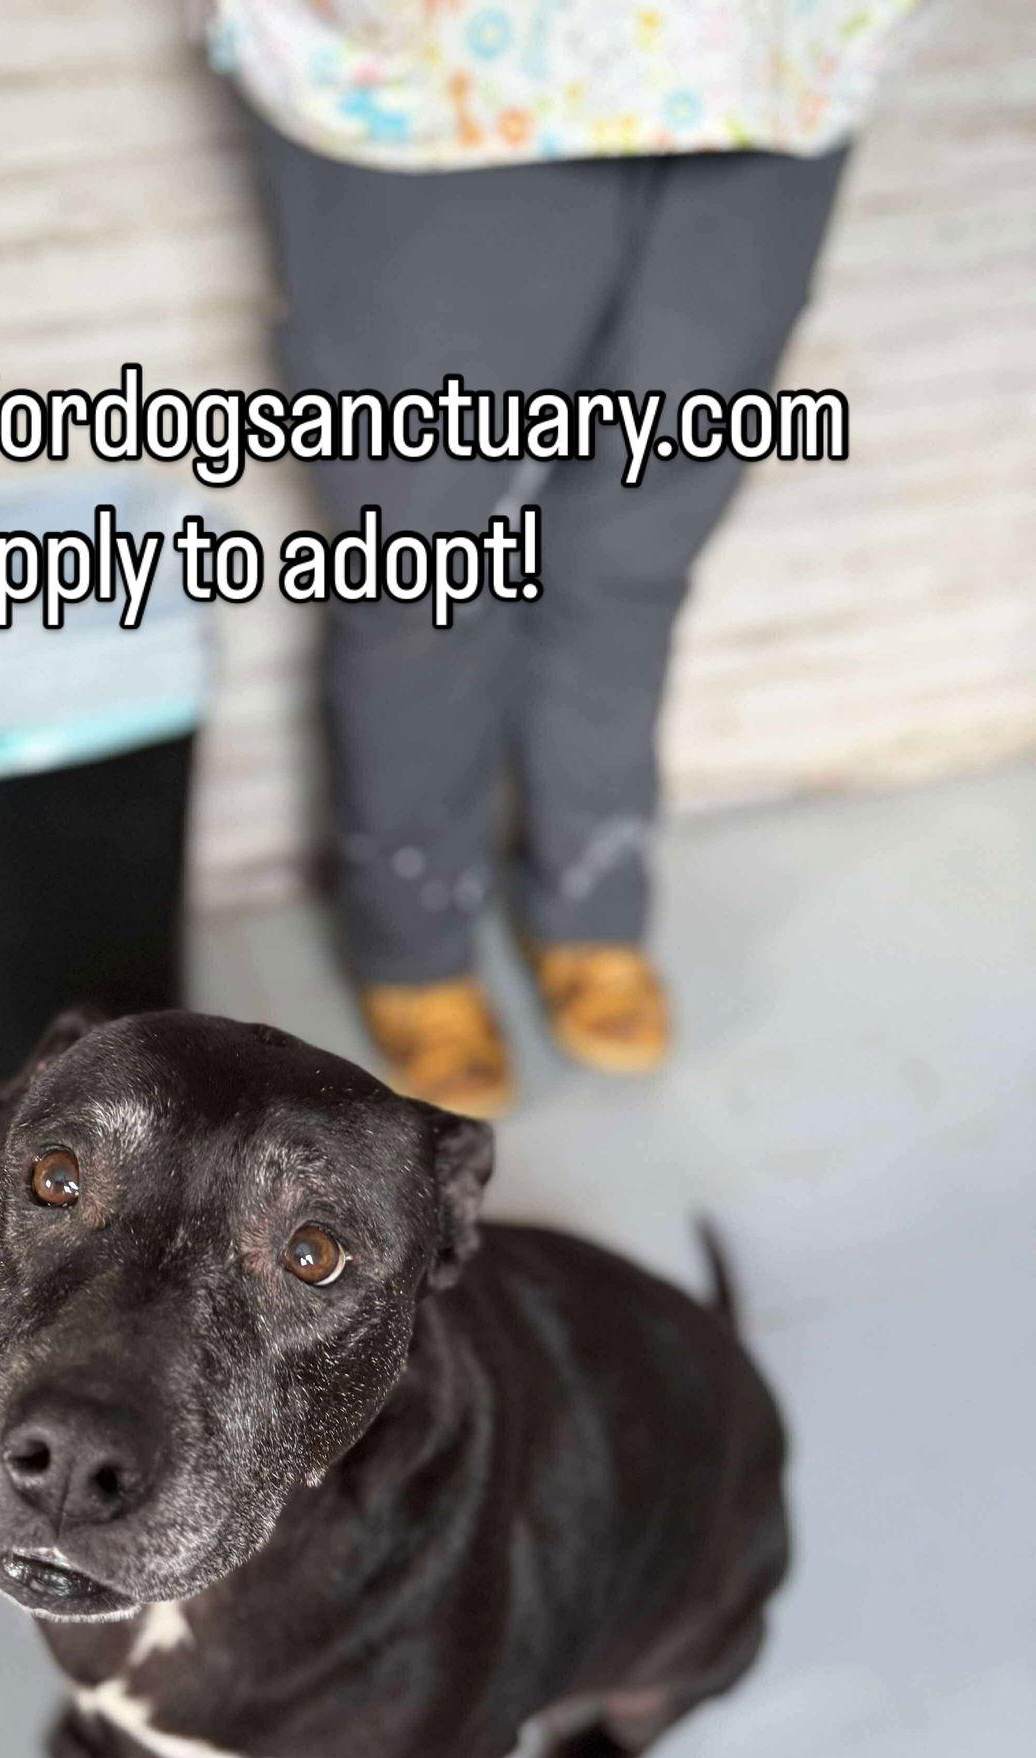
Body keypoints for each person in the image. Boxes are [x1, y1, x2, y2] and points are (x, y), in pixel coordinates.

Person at [210, 0, 917, 1115]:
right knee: (422, 566)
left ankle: (592, 897)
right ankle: (415, 936)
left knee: (638, 542)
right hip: (438, 77)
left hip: (767, 61)